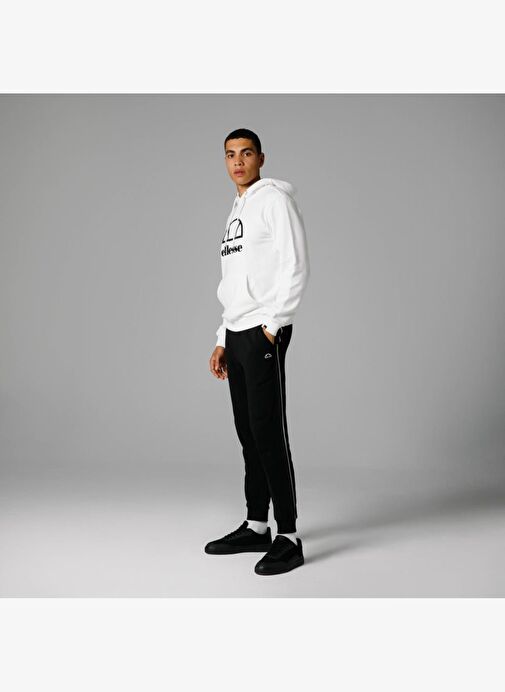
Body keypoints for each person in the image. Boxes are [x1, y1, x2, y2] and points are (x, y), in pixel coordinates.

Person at [206, 128, 310, 575]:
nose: (238, 161)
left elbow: (295, 264)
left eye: (246, 153)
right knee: (248, 433)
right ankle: (257, 526)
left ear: (260, 158)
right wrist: (222, 337)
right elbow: (232, 282)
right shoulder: (236, 211)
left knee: (269, 434)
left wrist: (273, 326)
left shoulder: (274, 201)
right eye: (230, 154)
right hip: (237, 333)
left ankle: (289, 536)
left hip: (263, 331)